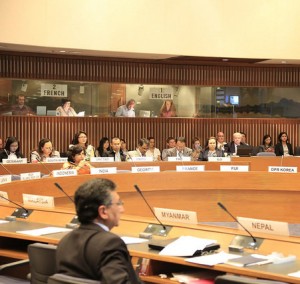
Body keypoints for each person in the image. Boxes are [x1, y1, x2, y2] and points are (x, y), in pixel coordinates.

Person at [56, 178, 142, 283]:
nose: (122, 209)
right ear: (103, 211)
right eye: (118, 203)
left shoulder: (65, 241)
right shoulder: (110, 243)